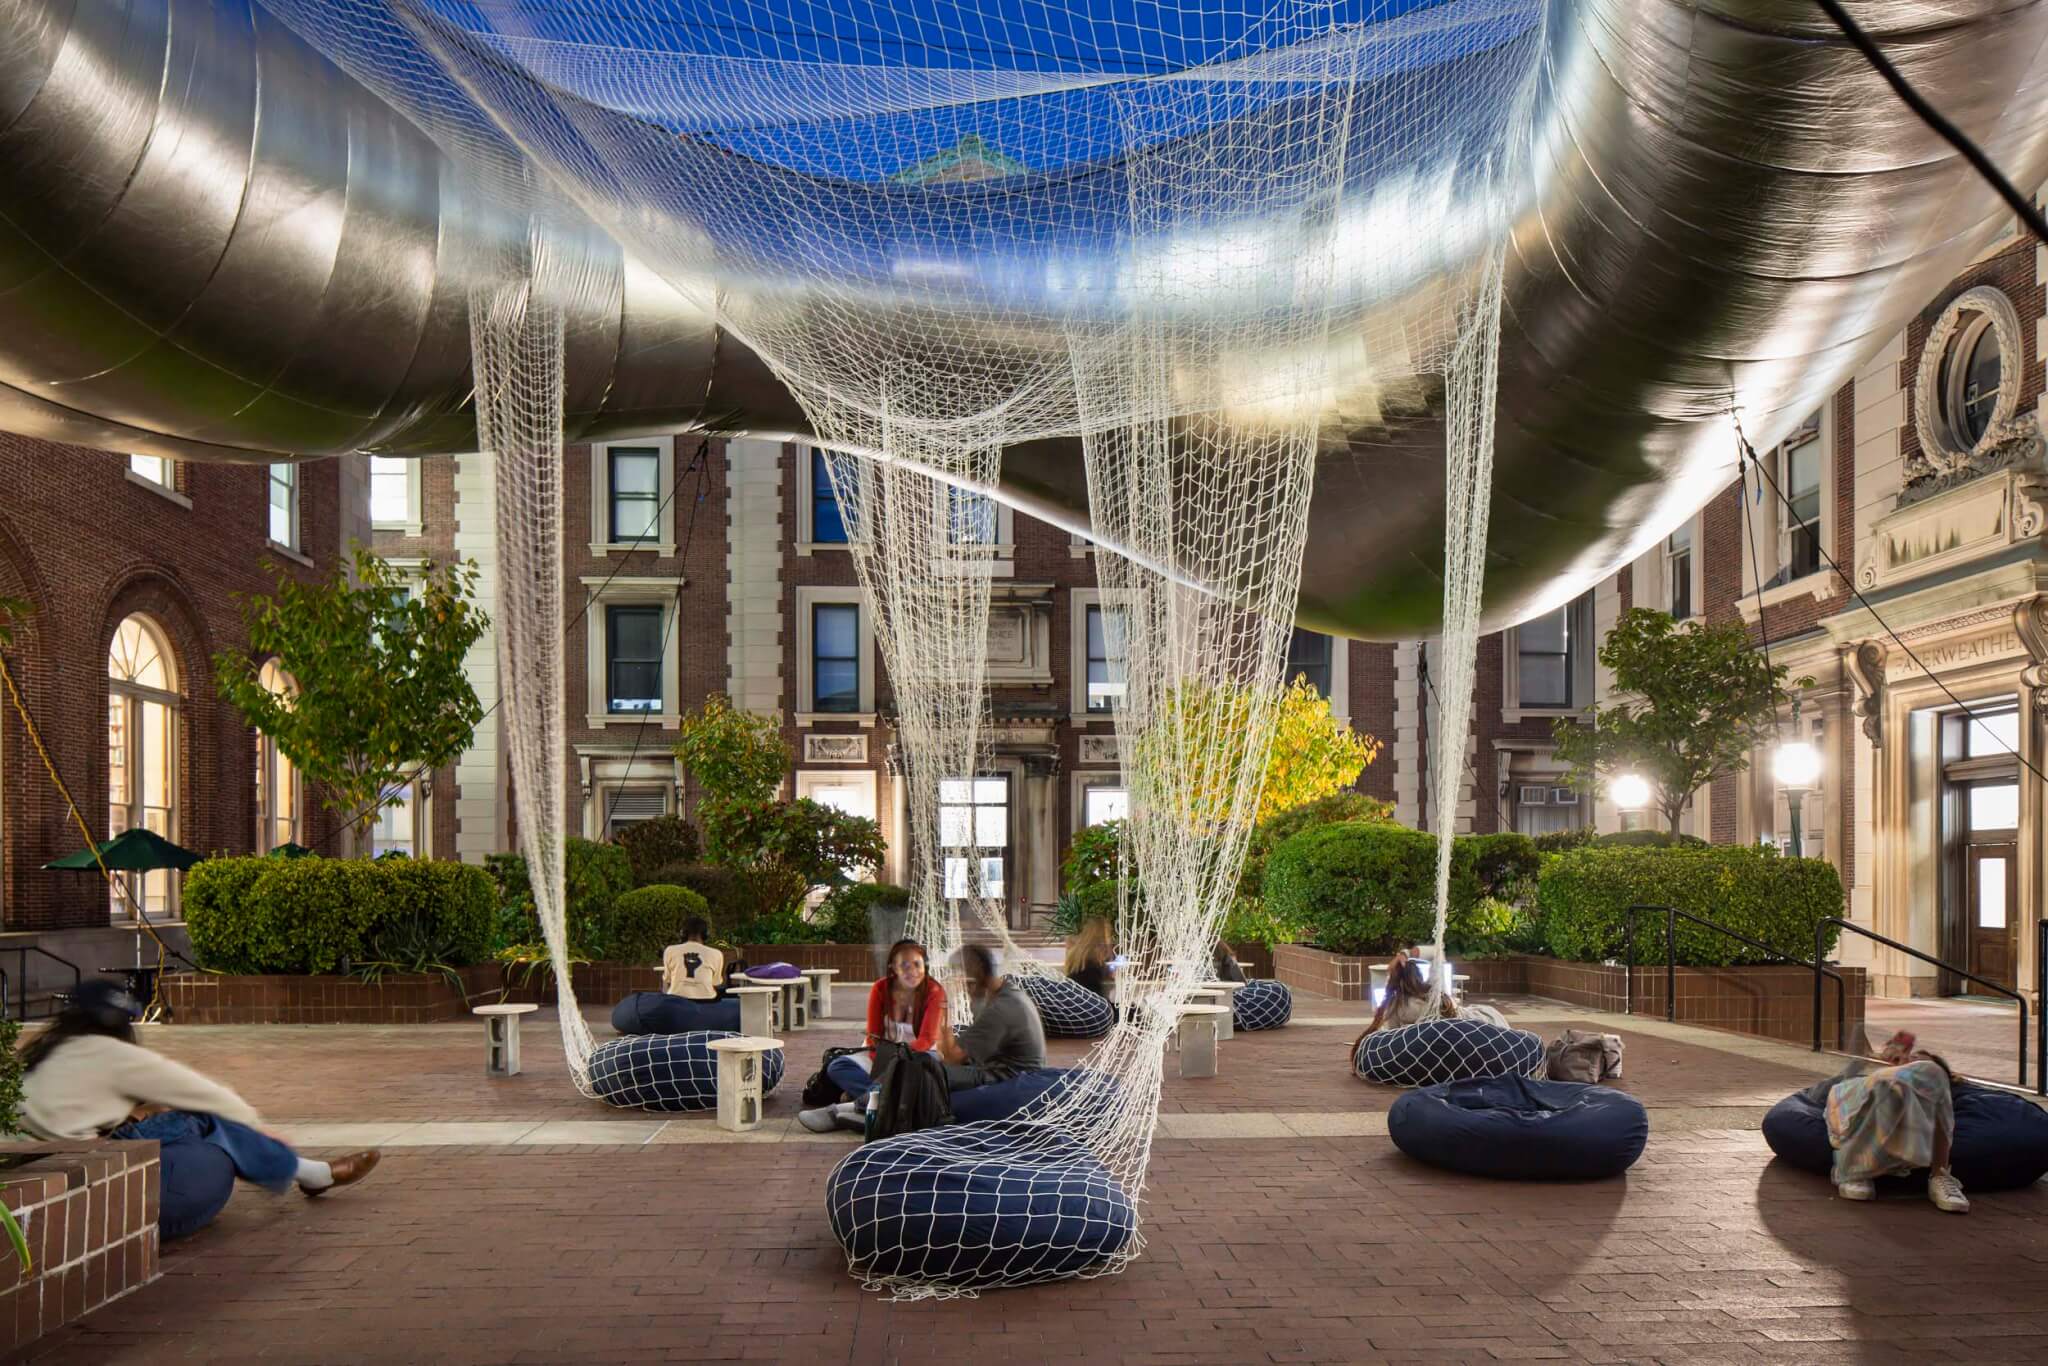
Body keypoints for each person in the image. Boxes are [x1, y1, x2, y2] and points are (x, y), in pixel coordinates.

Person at [20, 979, 379, 1215]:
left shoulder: (44, 1052)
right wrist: (258, 1128)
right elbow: (206, 1094)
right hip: (88, 1162)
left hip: (35, 1167)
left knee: (162, 1111)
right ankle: (311, 1173)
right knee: (204, 1117)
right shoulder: (111, 1054)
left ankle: (308, 1172)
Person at [1801, 1030, 1968, 1212]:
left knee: (1928, 1075)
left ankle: (1939, 1175)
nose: (1911, 1061)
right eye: (1912, 1059)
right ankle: (1855, 1167)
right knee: (1885, 1086)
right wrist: (1883, 1062)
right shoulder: (1872, 1076)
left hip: (1905, 1109)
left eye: (1918, 1062)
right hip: (1859, 1096)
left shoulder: (1934, 1082)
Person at [799, 939, 947, 1133]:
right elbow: (873, 1036)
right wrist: (883, 1067)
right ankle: (887, 1105)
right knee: (838, 1066)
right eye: (904, 965)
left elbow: (927, 1039)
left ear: (925, 966)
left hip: (920, 1056)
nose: (912, 970)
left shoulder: (934, 992)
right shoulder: (880, 988)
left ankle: (842, 1111)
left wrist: (894, 1065)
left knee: (914, 1072)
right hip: (882, 1056)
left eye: (917, 964)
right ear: (893, 967)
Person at [1350, 949, 1508, 1056]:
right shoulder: (1431, 994)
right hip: (1483, 1020)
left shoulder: (1400, 1004)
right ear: (1419, 976)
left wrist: (1402, 955)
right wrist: (1405, 953)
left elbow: (1393, 1034)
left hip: (1475, 1026)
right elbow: (1436, 952)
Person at [935, 945, 1046, 1093]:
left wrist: (945, 1006)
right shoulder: (1007, 991)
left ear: (975, 974)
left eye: (961, 975)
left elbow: (951, 1059)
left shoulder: (999, 1010)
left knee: (930, 1073)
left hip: (1010, 1078)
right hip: (1013, 1068)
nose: (960, 983)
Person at [661, 917, 724, 999]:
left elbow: (667, 979)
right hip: (706, 1002)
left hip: (676, 1001)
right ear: (706, 934)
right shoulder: (716, 954)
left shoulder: (670, 950)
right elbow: (716, 982)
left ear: (683, 933)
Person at [1066, 916, 1117, 999]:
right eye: (1108, 940)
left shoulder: (1079, 968)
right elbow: (1098, 1008)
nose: (1110, 946)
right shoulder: (1089, 973)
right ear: (1098, 944)